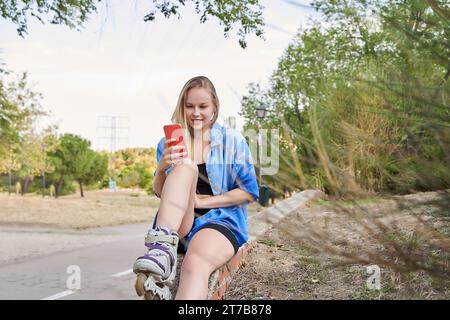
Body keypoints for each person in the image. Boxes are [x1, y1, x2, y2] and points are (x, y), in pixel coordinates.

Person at [133, 76, 259, 300]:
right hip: (179, 222)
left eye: (203, 106)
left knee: (194, 263)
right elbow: (162, 193)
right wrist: (162, 170)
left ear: (214, 107)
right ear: (182, 106)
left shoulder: (232, 141)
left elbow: (249, 191)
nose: (196, 113)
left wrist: (203, 201)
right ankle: (162, 250)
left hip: (220, 221)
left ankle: (166, 284)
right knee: (186, 166)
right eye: (189, 106)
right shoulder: (168, 143)